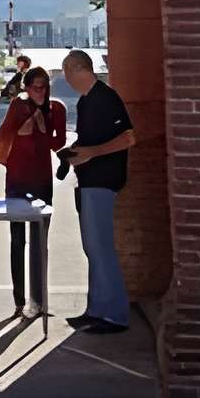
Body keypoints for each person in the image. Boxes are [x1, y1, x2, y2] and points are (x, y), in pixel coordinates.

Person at [59, 49, 135, 335]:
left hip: (104, 180)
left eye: (67, 73)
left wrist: (91, 152)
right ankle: (96, 309)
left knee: (101, 247)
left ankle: (114, 314)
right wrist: (76, 151)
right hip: (89, 180)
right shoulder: (87, 101)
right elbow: (92, 139)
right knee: (92, 247)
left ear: (78, 69)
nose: (66, 79)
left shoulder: (105, 97)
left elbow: (128, 137)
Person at [0, 64, 66, 313]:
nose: (41, 92)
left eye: (44, 87)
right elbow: (3, 137)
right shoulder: (18, 106)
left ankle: (39, 299)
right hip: (16, 180)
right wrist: (21, 132)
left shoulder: (56, 108)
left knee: (40, 241)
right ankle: (18, 300)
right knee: (17, 240)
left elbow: (59, 143)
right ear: (26, 88)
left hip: (41, 180)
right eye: (36, 87)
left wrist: (44, 132)